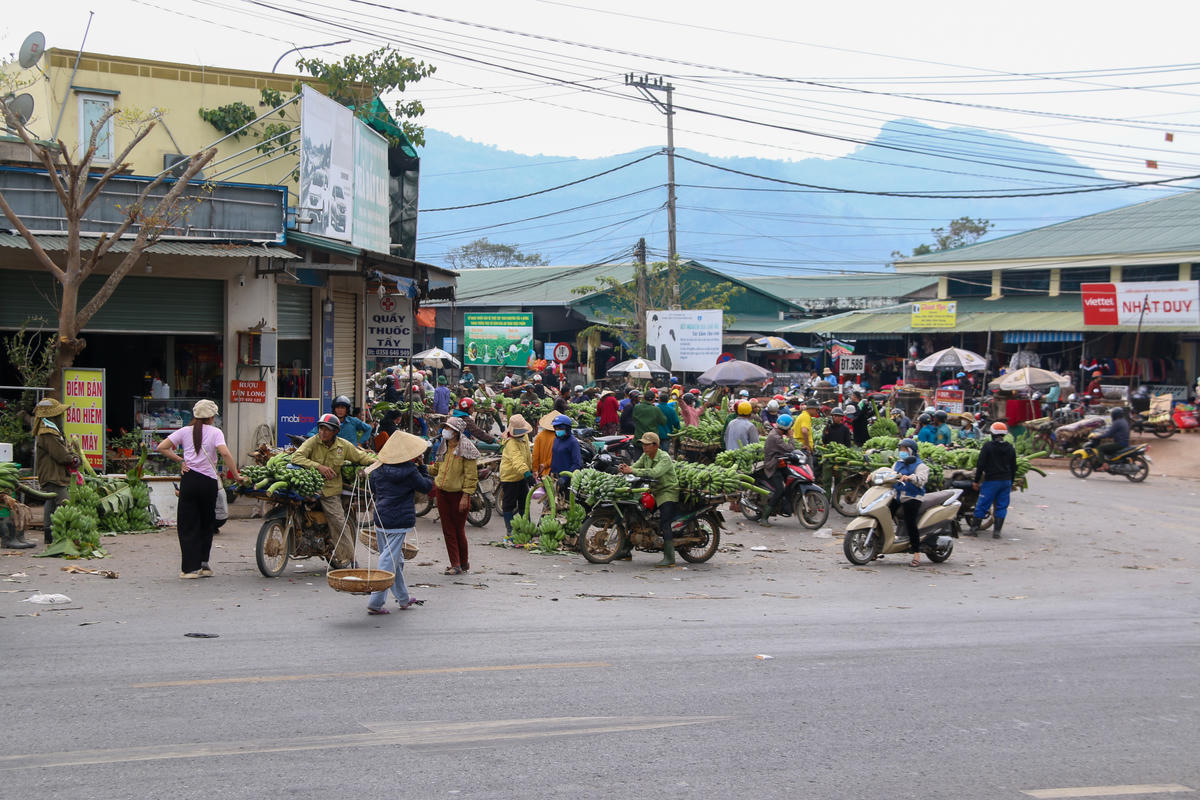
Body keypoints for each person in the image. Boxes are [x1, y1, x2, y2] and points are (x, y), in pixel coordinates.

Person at [157, 399, 243, 578]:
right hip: (208, 483)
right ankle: (204, 564)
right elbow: (225, 453)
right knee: (206, 522)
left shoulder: (184, 431)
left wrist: (180, 461)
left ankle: (189, 569)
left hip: (189, 480)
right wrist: (236, 475)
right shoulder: (216, 432)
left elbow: (162, 447)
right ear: (211, 417)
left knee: (188, 524)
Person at [290, 413, 376, 568]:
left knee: (338, 522)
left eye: (327, 429)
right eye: (321, 428)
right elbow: (296, 458)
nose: (323, 432)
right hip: (310, 487)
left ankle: (351, 558)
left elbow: (362, 457)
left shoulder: (343, 446)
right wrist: (319, 467)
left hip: (330, 491)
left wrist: (381, 461)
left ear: (335, 431)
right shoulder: (312, 442)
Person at [364, 431, 431, 614]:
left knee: (396, 559)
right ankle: (376, 602)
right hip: (399, 520)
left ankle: (403, 598)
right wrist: (422, 467)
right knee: (388, 559)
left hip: (381, 517)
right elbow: (426, 486)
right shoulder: (409, 471)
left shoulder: (378, 469)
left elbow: (373, 489)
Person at [619, 432, 679, 567]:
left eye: (647, 445)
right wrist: (626, 468)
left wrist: (633, 471)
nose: (644, 448)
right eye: (643, 445)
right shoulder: (645, 456)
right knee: (635, 514)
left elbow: (655, 473)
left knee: (665, 522)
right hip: (654, 491)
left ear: (655, 445)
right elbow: (636, 466)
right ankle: (625, 550)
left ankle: (670, 558)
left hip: (667, 491)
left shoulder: (664, 458)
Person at [429, 416, 479, 575]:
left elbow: (471, 476)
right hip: (442, 493)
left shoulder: (466, 449)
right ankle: (458, 563)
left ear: (456, 432)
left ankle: (460, 563)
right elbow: (436, 469)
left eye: (448, 428)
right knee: (448, 530)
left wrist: (466, 496)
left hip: (459, 495)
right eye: (445, 427)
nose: (445, 431)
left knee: (458, 530)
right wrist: (420, 466)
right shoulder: (444, 446)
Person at [31, 398, 76, 547]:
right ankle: (62, 536)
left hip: (52, 474)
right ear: (52, 417)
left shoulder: (53, 431)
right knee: (64, 503)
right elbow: (61, 455)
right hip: (53, 475)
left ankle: (49, 537)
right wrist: (73, 459)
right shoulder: (47, 433)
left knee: (50, 503)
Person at [971, 421, 1017, 539]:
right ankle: (997, 532)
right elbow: (1014, 466)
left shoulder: (988, 447)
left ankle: (974, 529)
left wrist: (976, 481)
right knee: (1002, 506)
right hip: (1005, 481)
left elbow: (980, 465)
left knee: (982, 505)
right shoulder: (1010, 448)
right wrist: (1011, 482)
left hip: (991, 481)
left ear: (992, 434)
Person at [891, 438, 930, 567]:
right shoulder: (897, 464)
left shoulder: (920, 466)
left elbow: (921, 479)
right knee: (884, 513)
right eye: (901, 449)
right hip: (897, 496)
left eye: (904, 450)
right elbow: (890, 474)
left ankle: (916, 552)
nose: (902, 452)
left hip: (912, 497)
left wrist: (910, 478)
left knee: (910, 522)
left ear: (911, 451)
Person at [498, 414, 533, 537]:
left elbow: (527, 454)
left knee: (524, 501)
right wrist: (527, 473)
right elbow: (517, 460)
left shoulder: (525, 436)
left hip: (521, 475)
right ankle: (510, 529)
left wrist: (530, 469)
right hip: (510, 477)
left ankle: (526, 527)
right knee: (509, 504)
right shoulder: (511, 443)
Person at [761, 414, 797, 525]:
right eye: (790, 428)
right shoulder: (775, 437)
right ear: (786, 428)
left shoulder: (777, 433)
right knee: (779, 490)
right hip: (772, 466)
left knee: (792, 478)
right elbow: (789, 449)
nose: (790, 430)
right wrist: (791, 437)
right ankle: (764, 518)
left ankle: (786, 505)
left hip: (780, 462)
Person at [549, 414, 582, 492]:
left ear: (567, 428)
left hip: (566, 480)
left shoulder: (572, 442)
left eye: (560, 428)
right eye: (556, 428)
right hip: (555, 477)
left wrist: (565, 478)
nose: (557, 430)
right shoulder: (556, 439)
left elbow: (577, 464)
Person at [532, 411, 558, 480]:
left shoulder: (540, 436)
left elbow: (535, 455)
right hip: (554, 472)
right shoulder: (559, 437)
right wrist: (546, 464)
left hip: (541, 472)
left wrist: (535, 469)